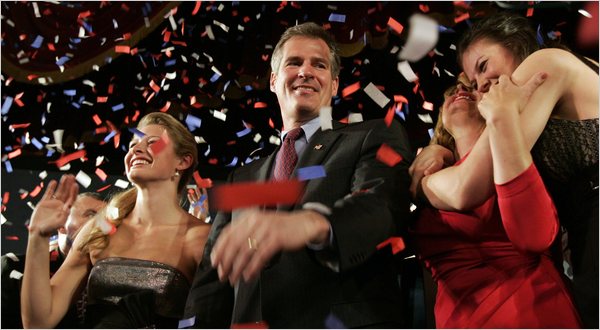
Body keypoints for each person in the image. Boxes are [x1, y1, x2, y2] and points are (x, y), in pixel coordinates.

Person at [183, 22, 414, 328]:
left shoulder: (373, 134)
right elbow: (211, 282)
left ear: (333, 85)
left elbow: (381, 206)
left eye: (319, 65)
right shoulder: (243, 177)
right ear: (274, 80)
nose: (305, 71)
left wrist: (310, 223)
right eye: (294, 62)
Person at [410, 12, 598, 327]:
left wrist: (420, 184)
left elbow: (466, 187)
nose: (481, 85)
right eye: (472, 82)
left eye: (483, 66)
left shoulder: (543, 65)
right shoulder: (531, 112)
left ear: (516, 46)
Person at [20, 112, 211, 328]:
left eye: (153, 143)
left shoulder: (201, 237)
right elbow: (38, 321)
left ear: (183, 161)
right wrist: (37, 235)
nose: (136, 150)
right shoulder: (100, 229)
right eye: (132, 144)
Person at [1, 192, 106, 329]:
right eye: (91, 215)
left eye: (106, 219)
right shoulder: (15, 268)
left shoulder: (112, 279)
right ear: (61, 224)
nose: (99, 225)